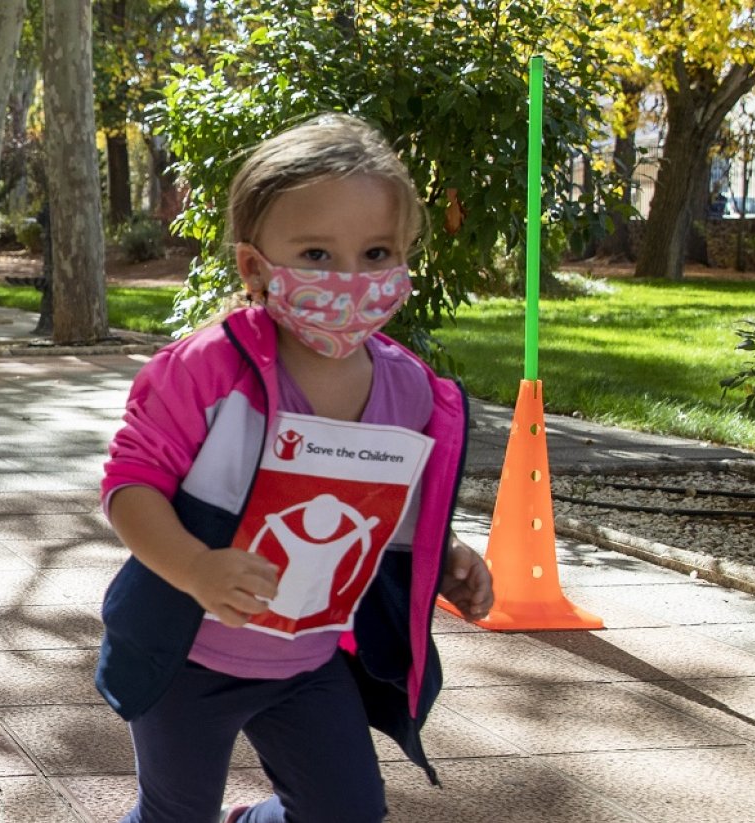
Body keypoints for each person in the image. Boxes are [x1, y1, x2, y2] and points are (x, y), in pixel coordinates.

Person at [94, 114, 494, 823]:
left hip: (308, 662)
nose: (350, 279)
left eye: (377, 252)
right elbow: (130, 487)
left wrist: (451, 554)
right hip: (188, 658)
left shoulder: (410, 392)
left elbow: (392, 509)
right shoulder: (206, 370)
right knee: (174, 814)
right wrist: (194, 568)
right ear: (255, 267)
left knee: (348, 812)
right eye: (316, 252)